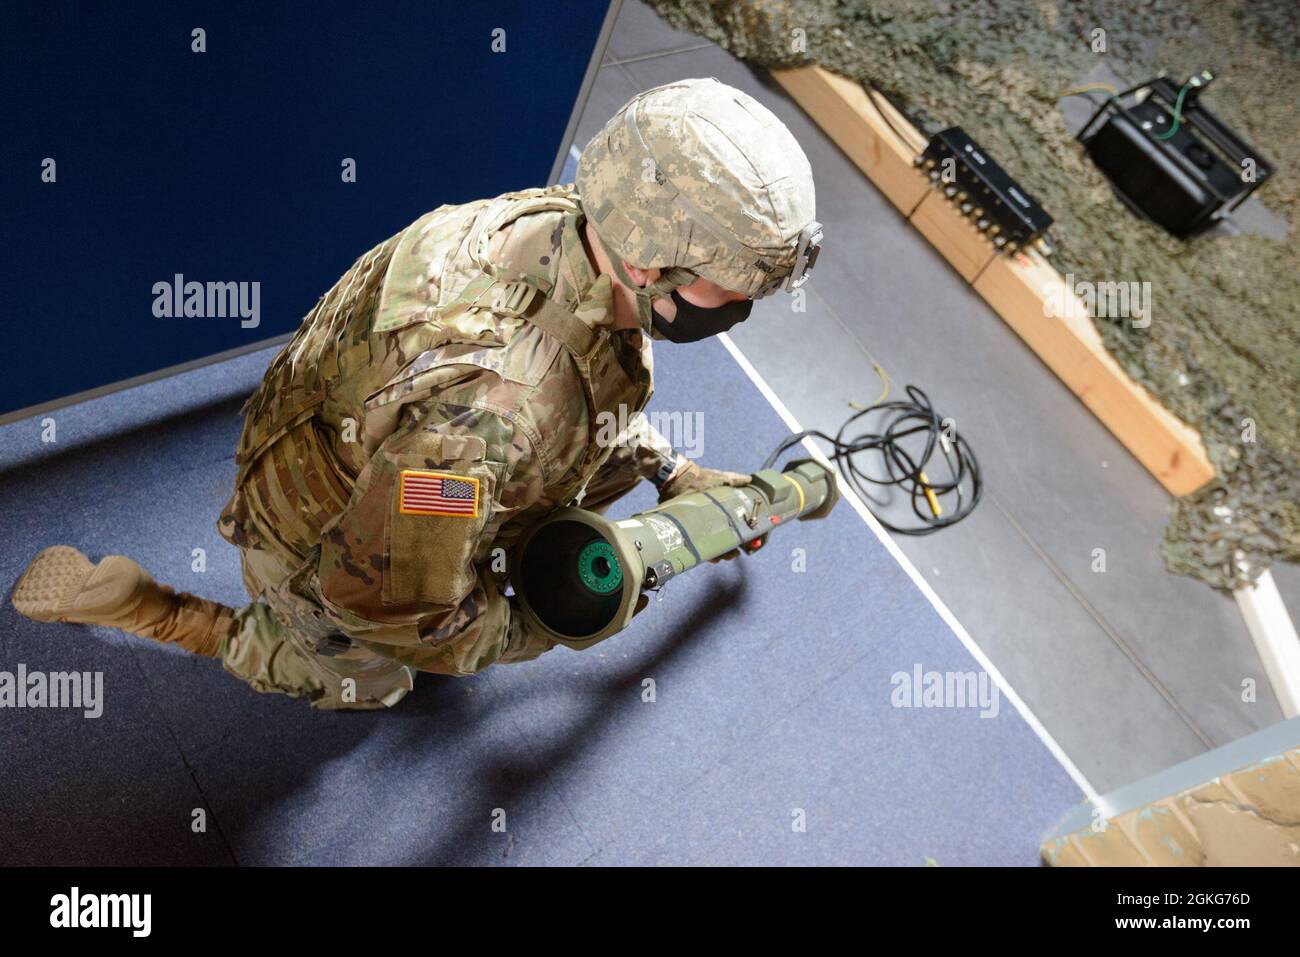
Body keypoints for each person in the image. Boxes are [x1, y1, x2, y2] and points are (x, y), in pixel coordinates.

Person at [11, 77, 822, 709]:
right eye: (733, 285)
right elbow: (384, 608)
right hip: (328, 554)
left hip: (390, 465)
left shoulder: (559, 226)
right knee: (368, 681)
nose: (742, 306)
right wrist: (536, 624)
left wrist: (668, 470)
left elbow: (581, 381)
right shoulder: (484, 416)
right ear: (654, 265)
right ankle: (166, 611)